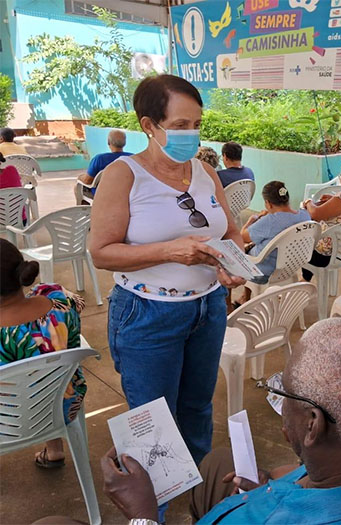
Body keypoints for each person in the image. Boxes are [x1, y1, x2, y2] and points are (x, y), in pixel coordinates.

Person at [101, 319, 341, 524]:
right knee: (218, 462)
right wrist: (277, 482)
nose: (278, 401)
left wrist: (142, 515)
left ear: (312, 424)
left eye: (284, 392)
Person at [88, 75, 246, 472]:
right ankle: (150, 509)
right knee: (151, 425)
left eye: (196, 125)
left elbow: (228, 231)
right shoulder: (124, 175)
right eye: (179, 126)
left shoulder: (205, 172)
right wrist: (168, 251)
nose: (190, 135)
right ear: (148, 125)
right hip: (146, 314)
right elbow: (101, 253)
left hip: (207, 308)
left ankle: (199, 499)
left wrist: (232, 261)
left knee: (197, 406)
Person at [0, 239, 87, 469]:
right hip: (62, 406)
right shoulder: (60, 302)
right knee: (44, 369)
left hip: (8, 423)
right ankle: (55, 448)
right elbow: (80, 303)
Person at [235, 181, 311, 305]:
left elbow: (243, 236)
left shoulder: (269, 221)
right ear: (287, 199)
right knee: (255, 247)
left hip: (263, 272)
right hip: (291, 268)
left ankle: (228, 306)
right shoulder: (305, 216)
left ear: (268, 203)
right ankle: (245, 297)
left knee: (230, 258)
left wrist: (252, 219)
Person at [75, 129, 132, 203]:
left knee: (78, 187)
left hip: (103, 195)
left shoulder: (99, 159)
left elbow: (87, 181)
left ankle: (85, 211)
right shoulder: (132, 157)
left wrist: (80, 177)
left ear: (108, 142)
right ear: (124, 143)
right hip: (127, 194)